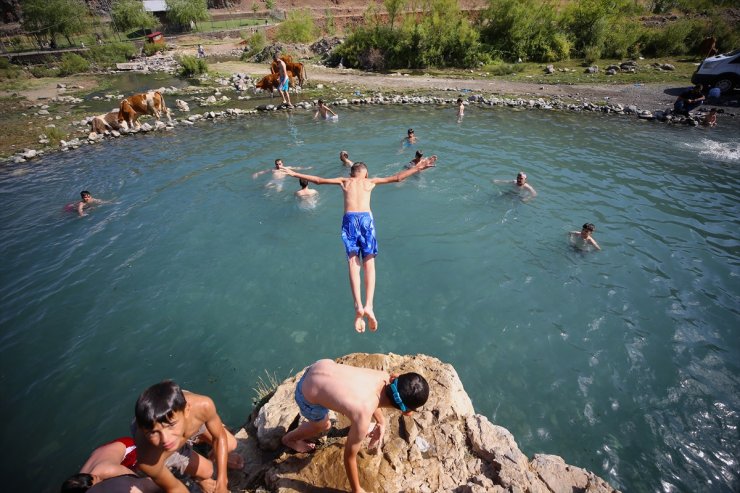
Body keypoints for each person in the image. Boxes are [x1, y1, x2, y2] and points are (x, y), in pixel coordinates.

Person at [280, 156, 437, 333]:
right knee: (369, 263)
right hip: (365, 220)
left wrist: (293, 173)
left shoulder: (344, 181)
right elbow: (398, 177)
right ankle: (369, 305)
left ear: (351, 173)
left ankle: (358, 306)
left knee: (353, 263)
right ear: (366, 173)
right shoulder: (370, 182)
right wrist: (418, 168)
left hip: (349, 220)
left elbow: (317, 180)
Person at [281, 359, 430, 493]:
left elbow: (374, 398)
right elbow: (349, 457)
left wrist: (381, 422)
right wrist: (357, 489)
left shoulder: (383, 376)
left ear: (395, 377)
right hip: (305, 394)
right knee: (323, 425)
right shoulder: (362, 417)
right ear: (407, 412)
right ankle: (289, 439)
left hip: (320, 366)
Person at [132, 380, 243, 493]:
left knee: (230, 444)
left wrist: (222, 482)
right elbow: (174, 488)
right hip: (161, 450)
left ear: (186, 410)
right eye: (153, 432)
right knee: (208, 471)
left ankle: (198, 440)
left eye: (171, 425)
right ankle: (195, 477)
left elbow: (219, 437)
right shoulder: (148, 459)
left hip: (189, 419)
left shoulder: (203, 406)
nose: (165, 439)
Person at [60, 437, 141, 493]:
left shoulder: (108, 471)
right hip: (103, 452)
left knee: (138, 469)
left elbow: (137, 479)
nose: (99, 480)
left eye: (97, 479)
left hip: (127, 448)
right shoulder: (80, 481)